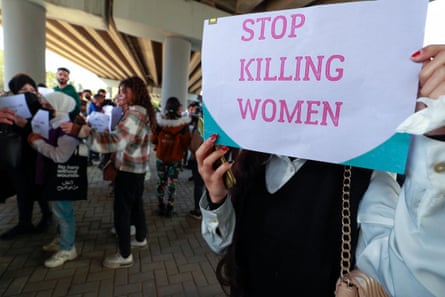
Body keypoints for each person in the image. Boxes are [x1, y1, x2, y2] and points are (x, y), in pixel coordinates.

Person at [196, 45, 445, 297]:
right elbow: (224, 245)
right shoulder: (252, 162)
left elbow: (409, 279)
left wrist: (436, 132)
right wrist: (218, 200)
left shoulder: (365, 176)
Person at [61, 76, 156, 269]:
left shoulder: (135, 114)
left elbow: (117, 141)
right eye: (119, 91)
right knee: (136, 205)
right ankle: (140, 238)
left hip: (129, 170)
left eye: (124, 92)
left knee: (122, 212)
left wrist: (82, 131)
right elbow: (122, 138)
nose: (119, 96)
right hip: (137, 169)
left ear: (135, 93)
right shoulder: (140, 113)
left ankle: (124, 255)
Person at [28, 91, 80, 268]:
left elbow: (61, 156)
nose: (44, 107)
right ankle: (62, 240)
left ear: (59, 107)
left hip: (61, 179)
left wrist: (37, 143)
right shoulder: (54, 123)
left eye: (49, 105)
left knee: (64, 213)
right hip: (52, 177)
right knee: (59, 211)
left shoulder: (67, 128)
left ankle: (68, 248)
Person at [0, 74, 53, 240]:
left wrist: (27, 125)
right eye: (23, 90)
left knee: (39, 186)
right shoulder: (5, 109)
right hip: (16, 156)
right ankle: (25, 222)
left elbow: (45, 132)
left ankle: (47, 216)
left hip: (37, 156)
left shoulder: (42, 107)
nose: (29, 93)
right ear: (14, 92)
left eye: (32, 90)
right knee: (22, 189)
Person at [150, 97, 191, 218]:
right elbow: (186, 143)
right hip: (175, 158)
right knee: (172, 183)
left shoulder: (159, 123)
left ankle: (160, 205)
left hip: (161, 158)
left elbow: (153, 140)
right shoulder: (183, 125)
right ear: (178, 108)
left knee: (161, 181)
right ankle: (170, 207)